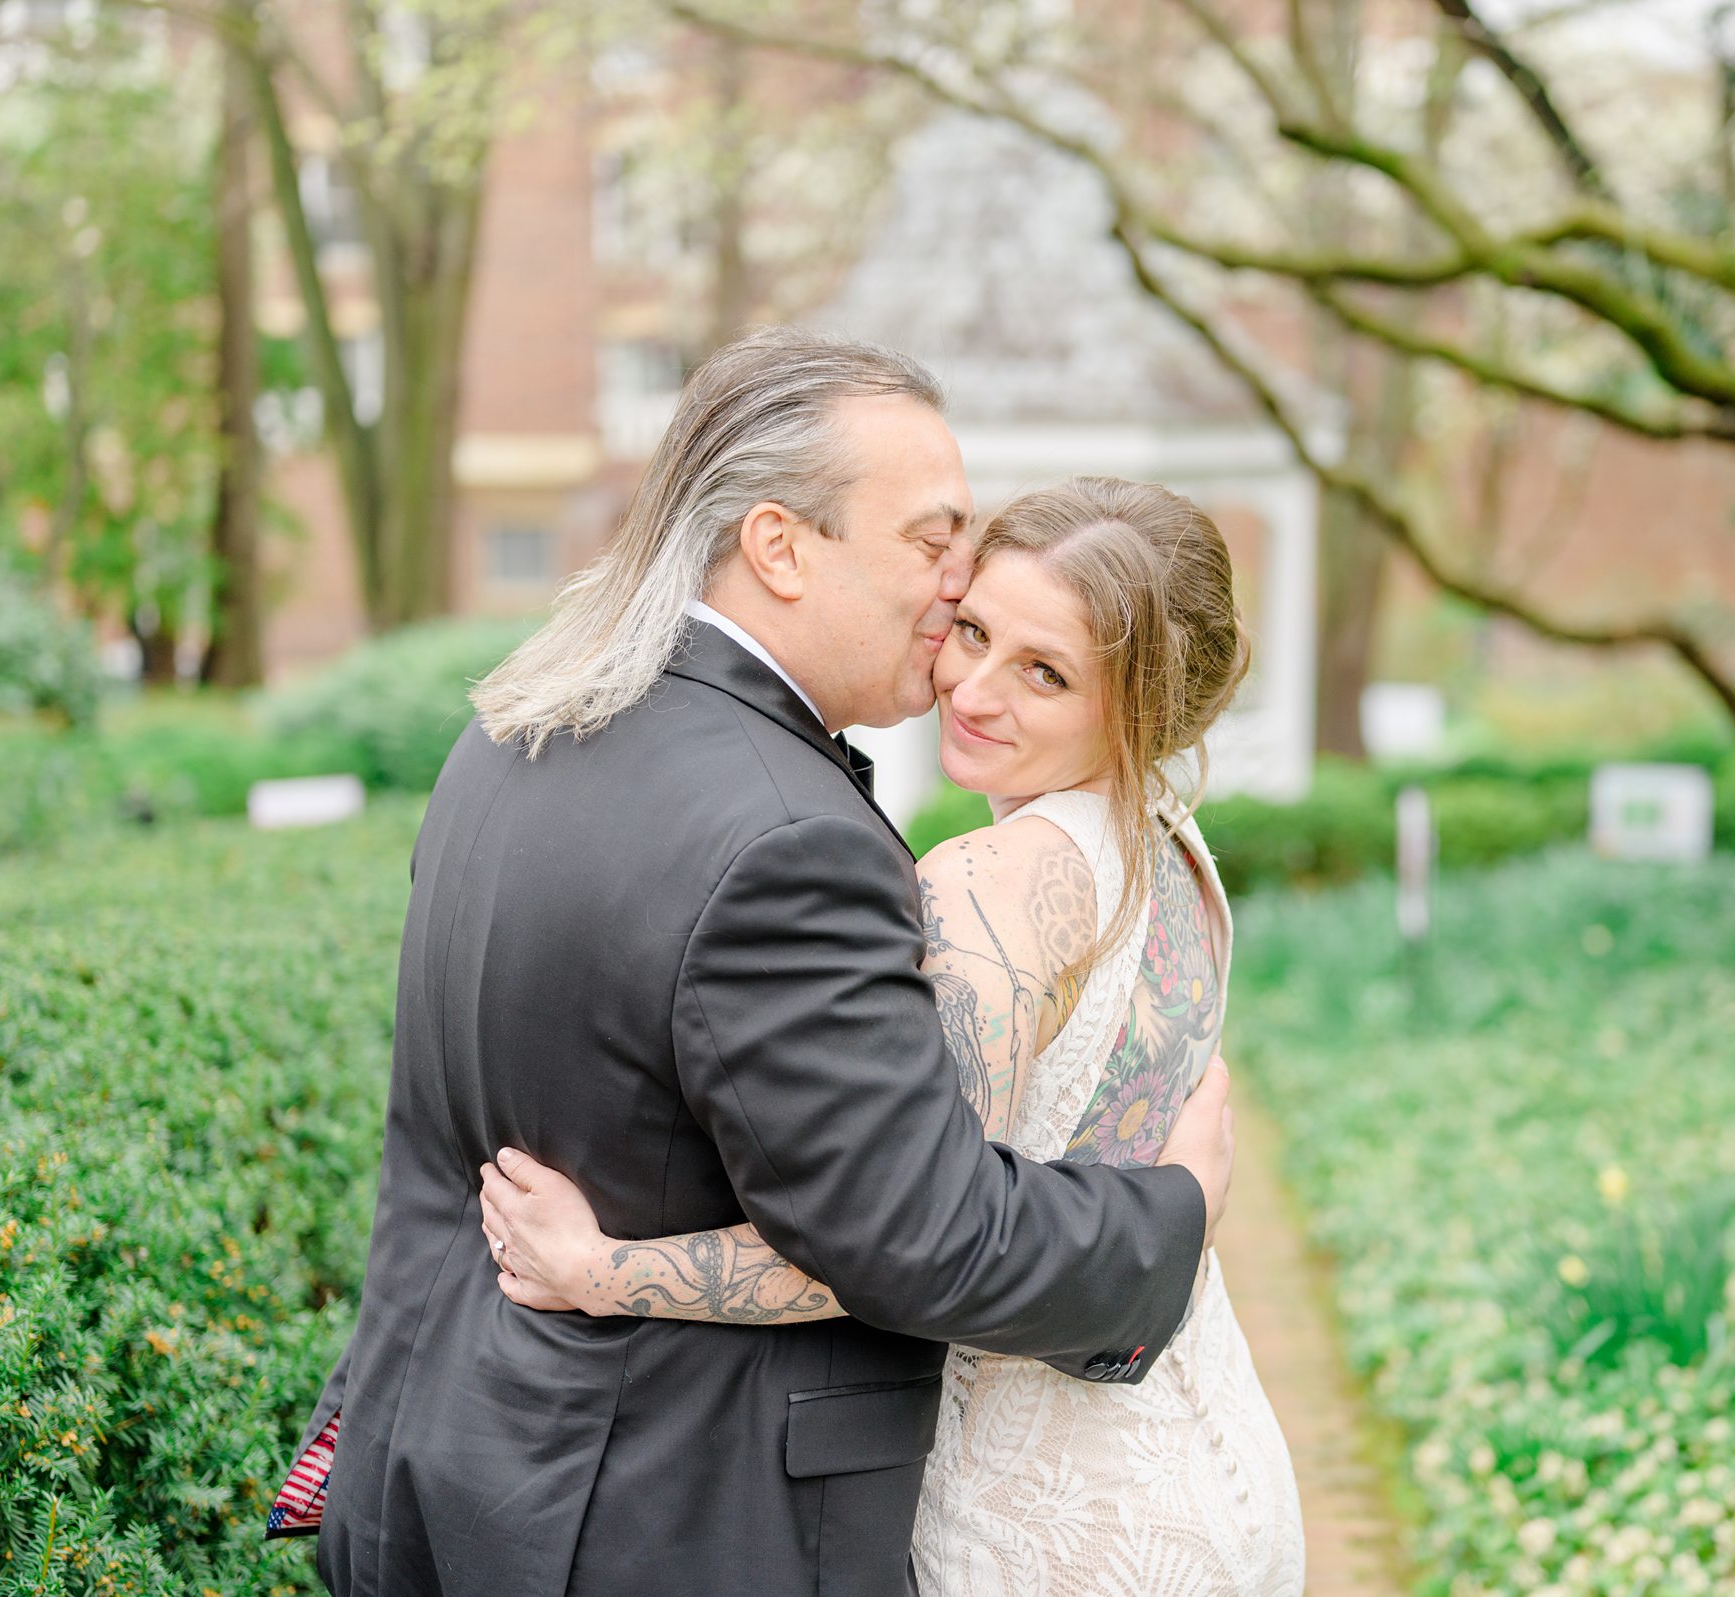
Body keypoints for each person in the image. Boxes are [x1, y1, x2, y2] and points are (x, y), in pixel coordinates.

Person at [271, 330, 1235, 1597]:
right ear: (780, 546)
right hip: (660, 1517)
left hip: (445, 1453)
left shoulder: (517, 726)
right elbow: (920, 1233)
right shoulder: (789, 841)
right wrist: (1176, 1211)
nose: (957, 581)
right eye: (929, 539)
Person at [480, 477, 1305, 1597]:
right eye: (973, 630)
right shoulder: (1175, 849)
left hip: (1055, 1527)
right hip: (1217, 1466)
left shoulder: (991, 887)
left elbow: (894, 1239)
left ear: (1143, 712)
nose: (972, 686)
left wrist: (604, 1271)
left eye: (1045, 672)